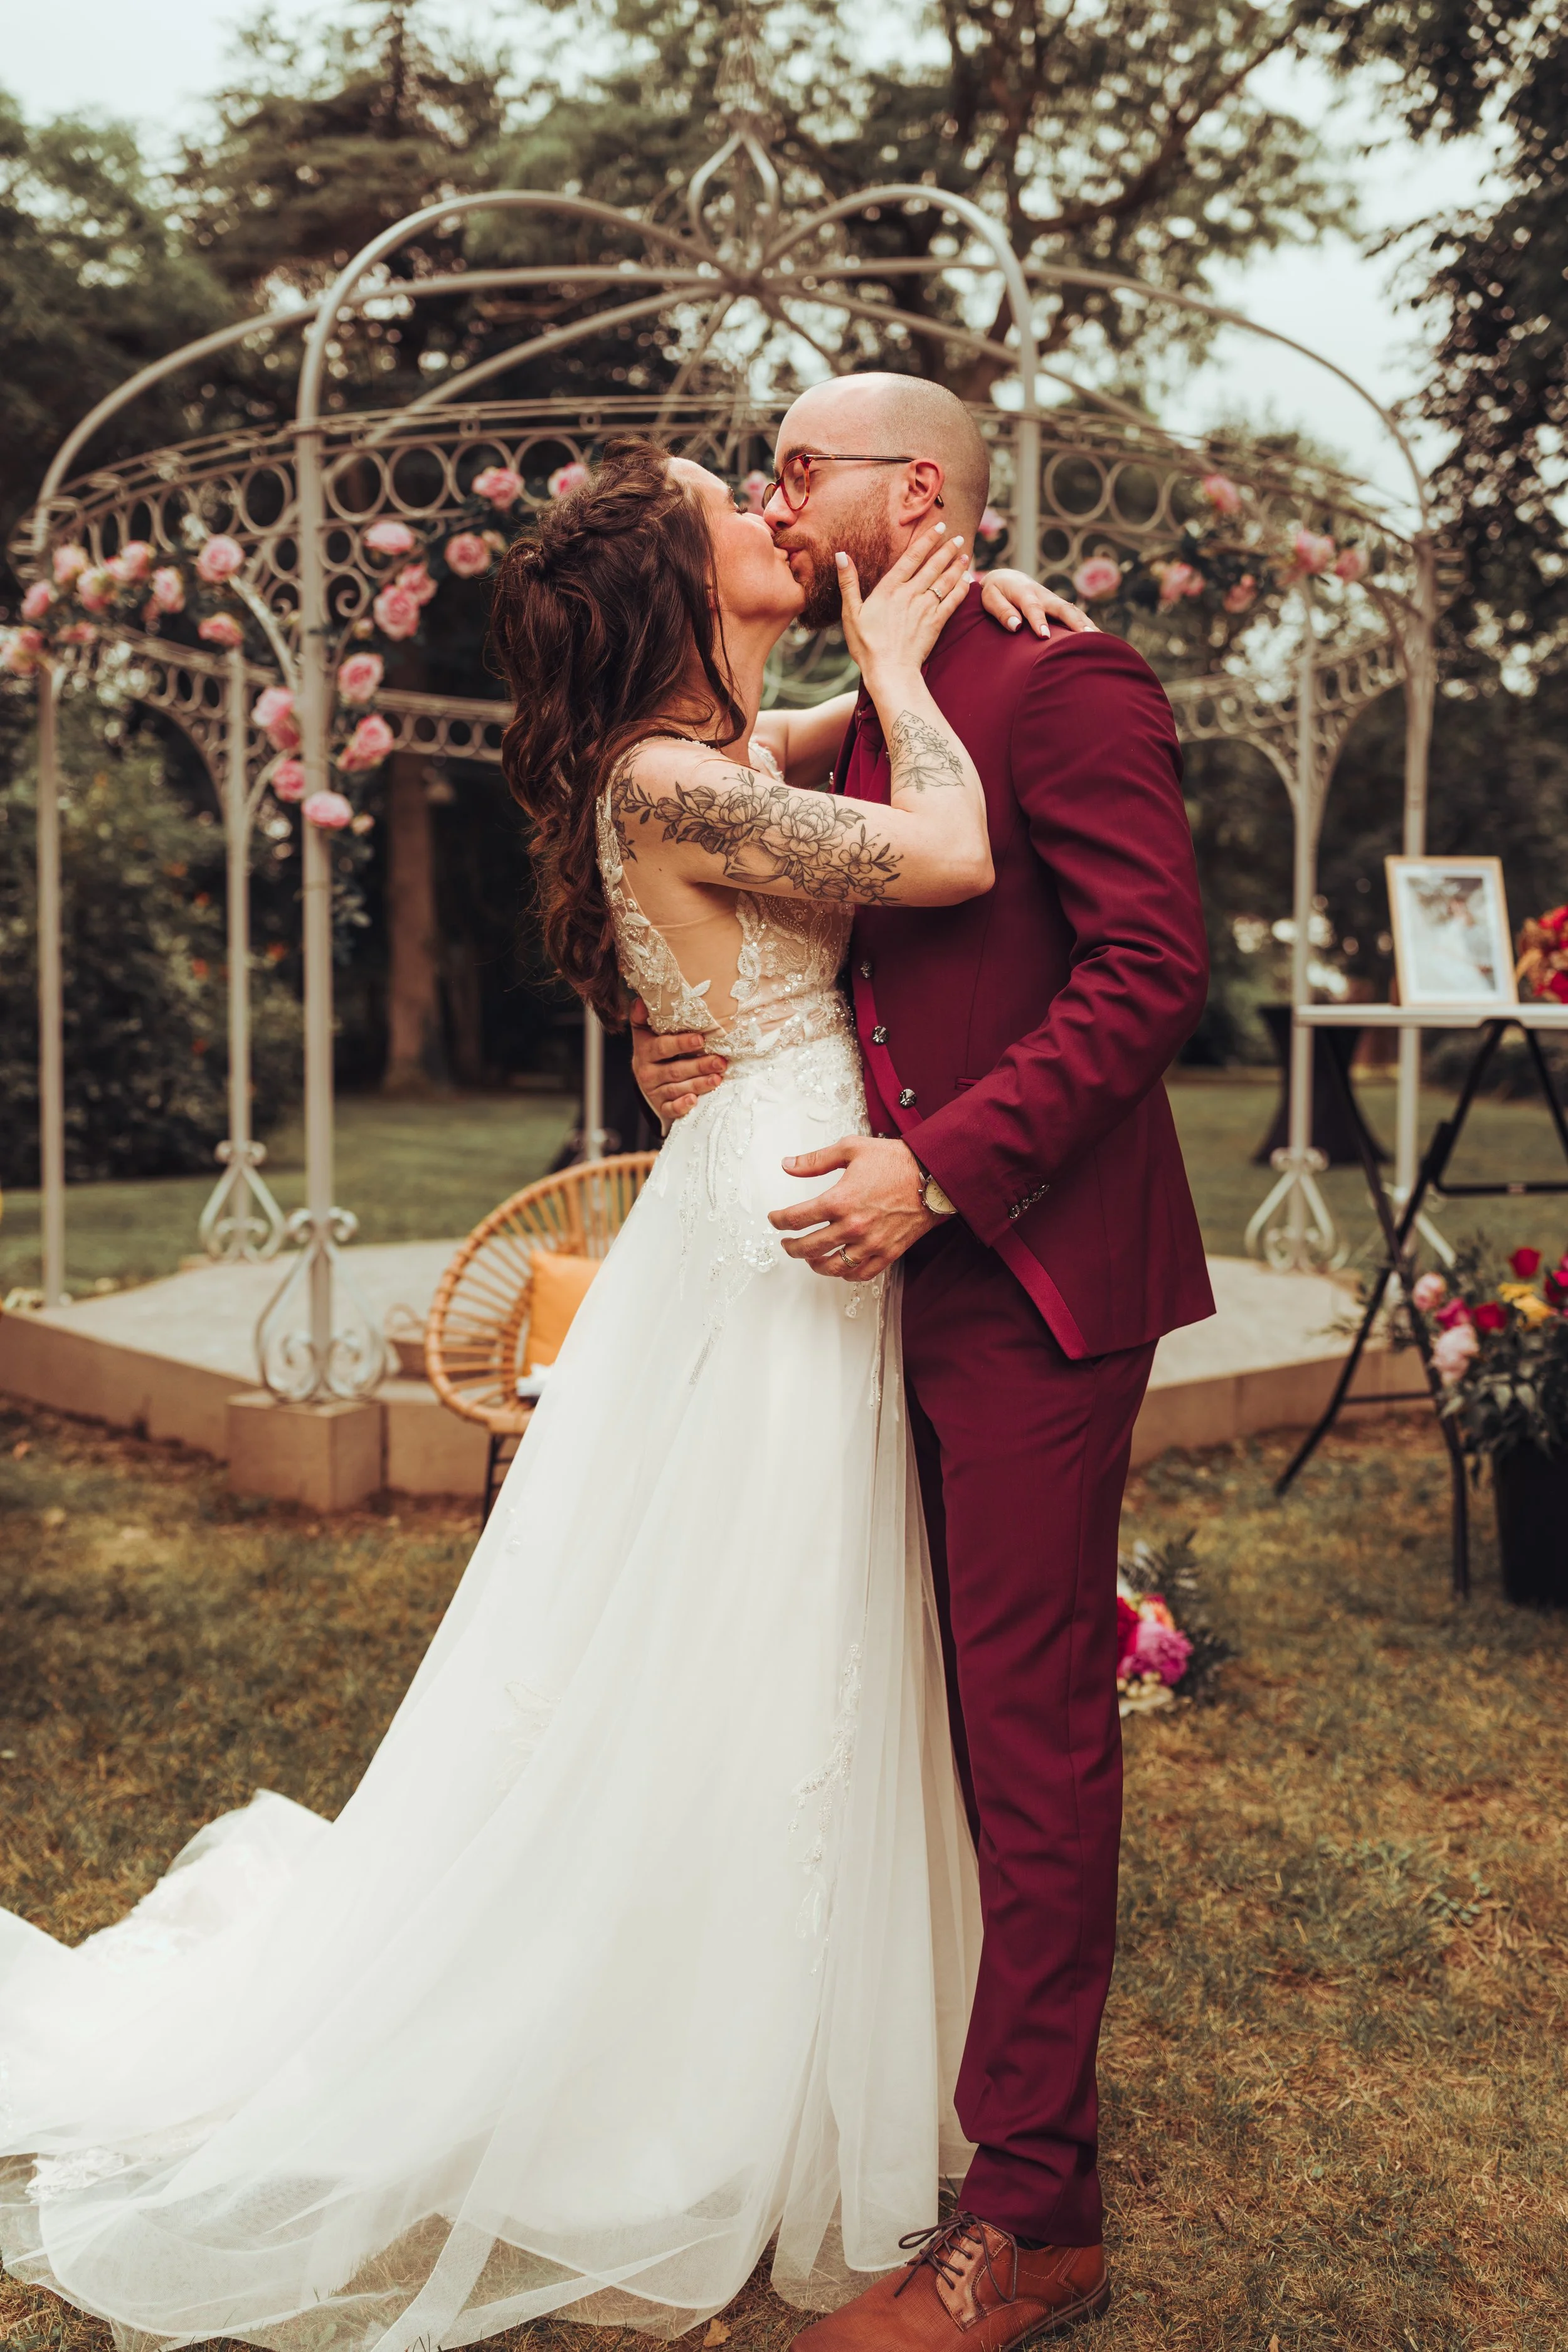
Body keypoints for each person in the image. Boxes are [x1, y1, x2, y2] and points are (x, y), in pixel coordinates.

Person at [0, 440, 1084, 2352]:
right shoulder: (672, 774)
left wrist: (960, 615)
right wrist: (910, 683)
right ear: (675, 582)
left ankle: (797, 2029)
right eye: (729, 506)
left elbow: (843, 714)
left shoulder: (715, 750)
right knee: (745, 1640)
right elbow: (948, 849)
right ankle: (686, 2072)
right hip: (778, 1225)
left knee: (773, 1636)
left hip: (771, 1182)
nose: (772, 511)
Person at [633, 373, 1215, 2350]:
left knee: (1028, 1731)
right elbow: (735, 867)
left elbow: (1151, 968)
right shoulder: (873, 682)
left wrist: (943, 1171)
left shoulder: (1060, 677)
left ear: (920, 488)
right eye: (762, 471)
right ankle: (893, 2085)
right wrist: (679, 1044)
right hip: (863, 1268)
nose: (778, 493)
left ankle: (1034, 2217)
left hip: (1026, 1263)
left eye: (807, 464)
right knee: (908, 1714)